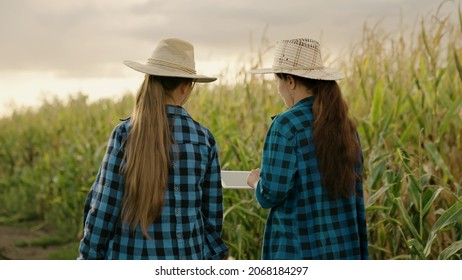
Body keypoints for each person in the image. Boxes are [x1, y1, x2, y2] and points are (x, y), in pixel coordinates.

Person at [78, 38, 228, 260]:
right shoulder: (203, 139)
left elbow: (103, 210)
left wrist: (87, 259)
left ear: (150, 79)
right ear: (186, 87)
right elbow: (212, 217)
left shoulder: (125, 134)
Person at [247, 38, 368, 260]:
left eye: (278, 82)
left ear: (290, 81)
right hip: (344, 249)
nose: (279, 90)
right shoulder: (346, 126)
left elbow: (270, 194)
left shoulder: (286, 125)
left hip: (298, 252)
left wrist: (256, 181)